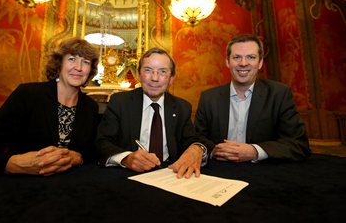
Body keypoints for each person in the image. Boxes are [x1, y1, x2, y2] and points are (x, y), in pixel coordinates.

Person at [0, 38, 100, 175]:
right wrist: (13, 164)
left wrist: (78, 157)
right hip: (22, 186)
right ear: (59, 63)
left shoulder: (90, 107)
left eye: (85, 62)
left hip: (72, 189)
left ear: (90, 71)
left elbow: (93, 154)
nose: (79, 67)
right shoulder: (28, 95)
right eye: (72, 59)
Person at [96, 47, 210, 179]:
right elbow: (102, 143)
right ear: (139, 74)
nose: (155, 78)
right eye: (148, 70)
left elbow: (193, 140)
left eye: (162, 72)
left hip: (171, 175)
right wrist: (126, 158)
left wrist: (198, 148)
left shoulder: (182, 107)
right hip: (129, 176)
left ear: (171, 78)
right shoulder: (119, 102)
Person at [194, 34, 310, 162]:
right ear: (227, 62)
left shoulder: (279, 94)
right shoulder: (209, 98)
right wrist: (214, 151)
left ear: (260, 63)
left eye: (251, 57)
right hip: (219, 171)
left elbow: (298, 144)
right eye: (237, 57)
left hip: (263, 171)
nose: (243, 63)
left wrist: (255, 151)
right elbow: (197, 138)